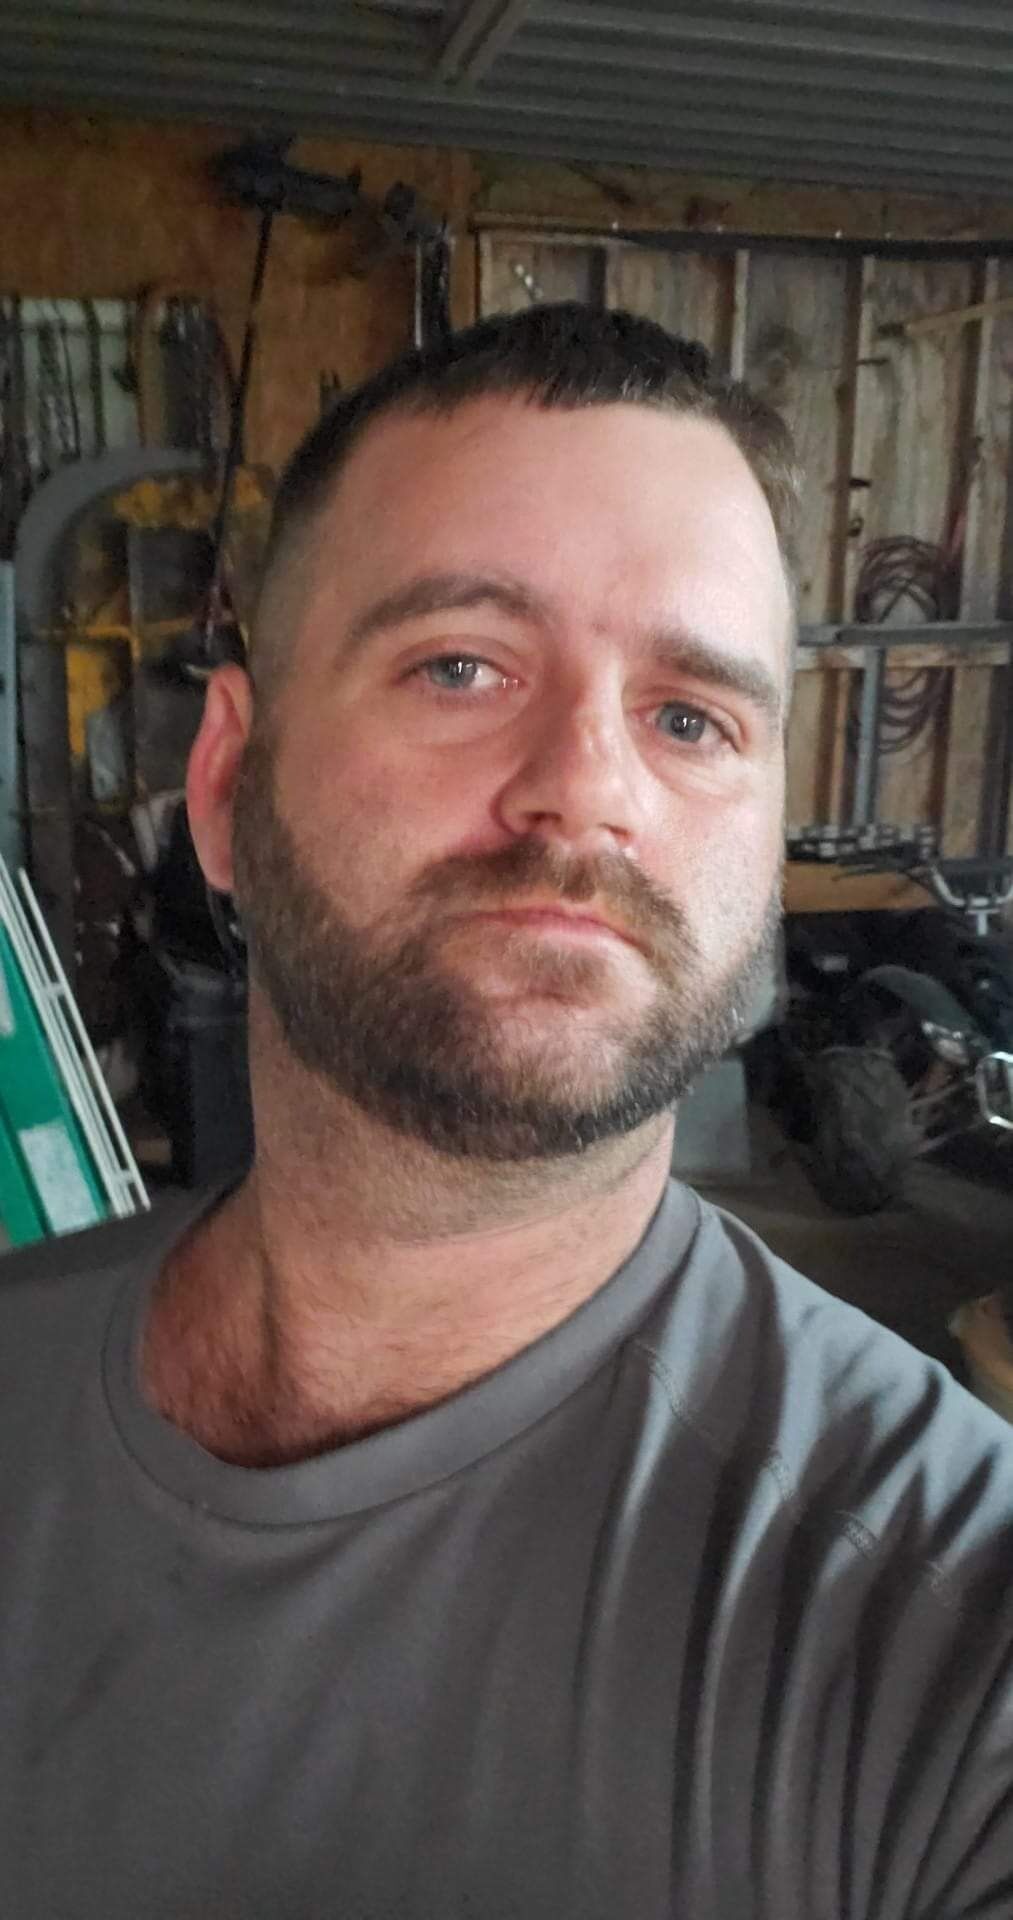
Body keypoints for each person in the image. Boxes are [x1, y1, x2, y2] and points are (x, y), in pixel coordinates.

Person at [1, 304, 1011, 1919]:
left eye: (690, 718)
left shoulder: (944, 1630)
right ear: (226, 786)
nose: (588, 785)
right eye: (460, 666)